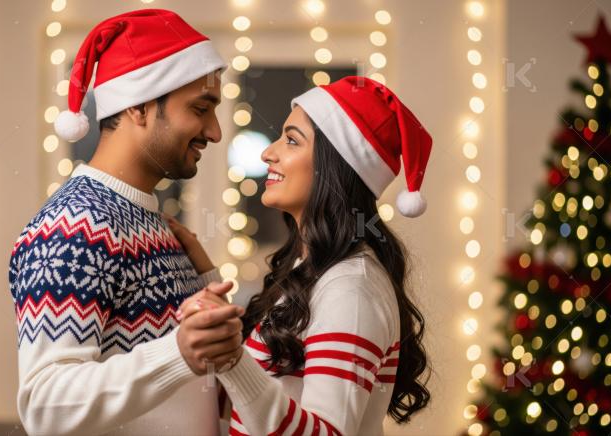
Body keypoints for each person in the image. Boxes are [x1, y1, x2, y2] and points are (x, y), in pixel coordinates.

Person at [8, 9, 244, 435]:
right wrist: (178, 353)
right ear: (138, 107)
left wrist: (206, 282)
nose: (214, 132)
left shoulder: (153, 223)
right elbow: (45, 405)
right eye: (200, 108)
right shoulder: (73, 226)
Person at [169, 76, 433, 435]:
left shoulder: (351, 290)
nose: (268, 153)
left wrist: (233, 360)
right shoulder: (315, 269)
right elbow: (261, 402)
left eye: (292, 140)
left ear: (335, 165)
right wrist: (205, 274)